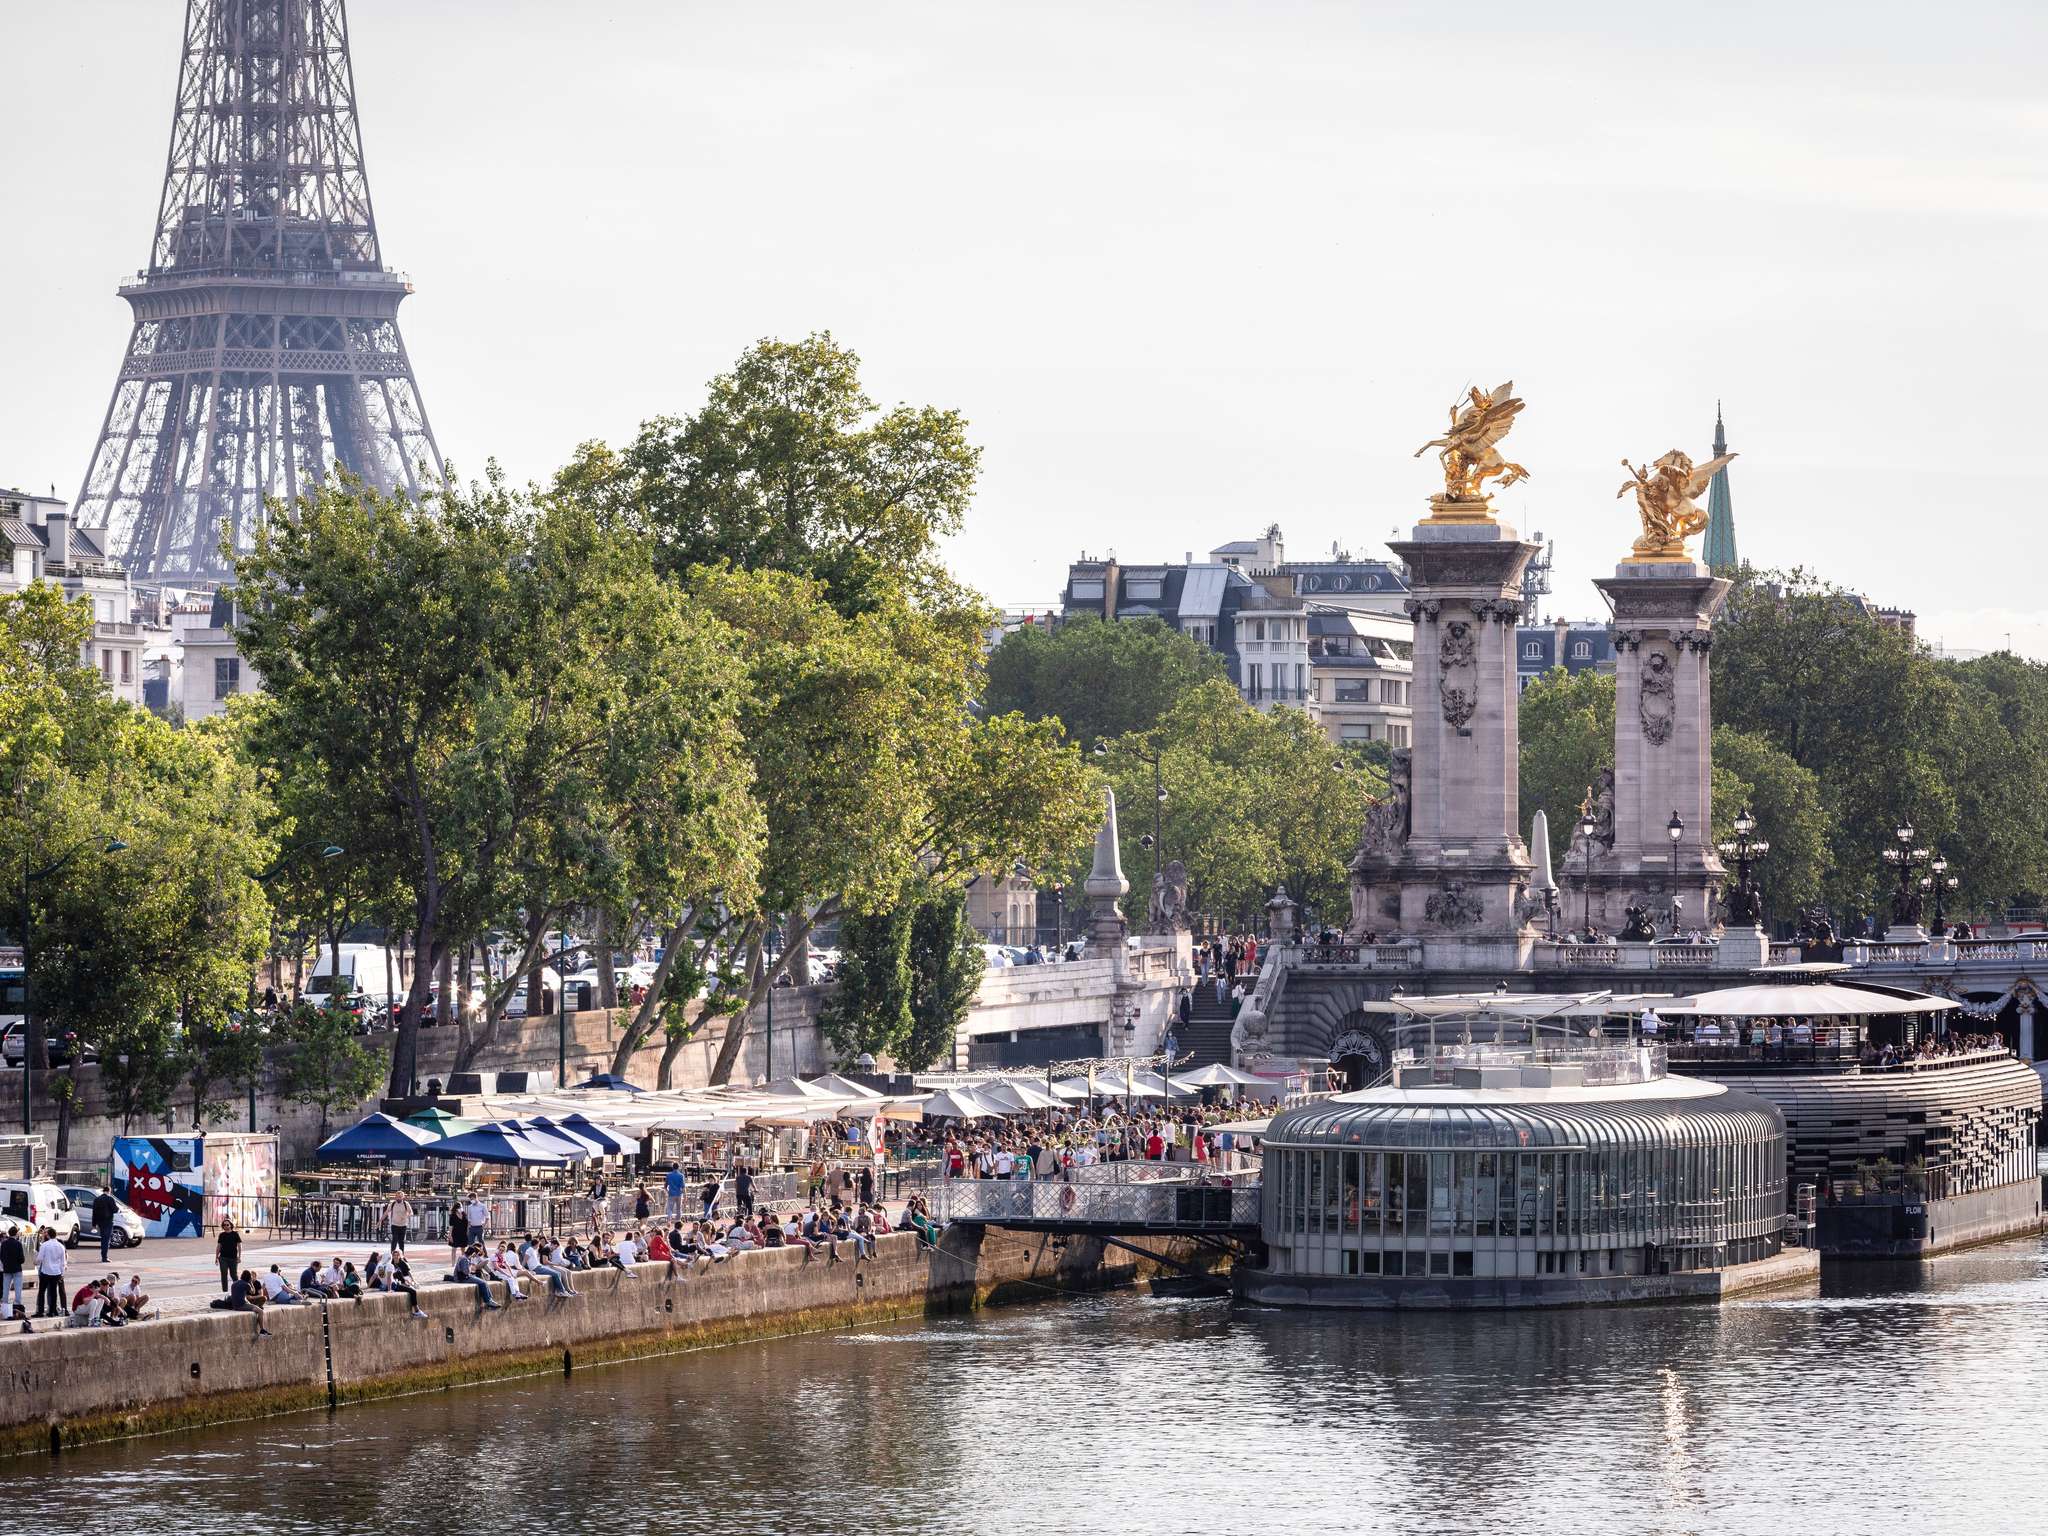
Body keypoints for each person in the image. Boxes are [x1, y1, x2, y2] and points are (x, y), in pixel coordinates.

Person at [35, 1226, 68, 1318]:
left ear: (48, 1235)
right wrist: (62, 1273)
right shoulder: (61, 1246)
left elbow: (40, 1258)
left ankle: (40, 1311)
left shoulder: (45, 1245)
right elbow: (63, 1262)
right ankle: (52, 1311)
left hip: (45, 1271)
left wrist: (35, 1261)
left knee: (42, 1291)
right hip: (56, 1272)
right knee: (53, 1292)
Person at [0, 1224, 24, 1320]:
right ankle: (17, 1305)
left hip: (7, 1269)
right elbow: (22, 1259)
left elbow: (1, 1256)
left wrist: (6, 1263)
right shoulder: (18, 1244)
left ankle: (5, 1306)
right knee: (18, 1289)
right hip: (17, 1269)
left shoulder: (4, 1244)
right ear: (16, 1233)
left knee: (6, 1289)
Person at [91, 1186, 119, 1263]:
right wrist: (117, 1208)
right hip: (108, 1222)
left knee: (103, 1238)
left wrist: (94, 1224)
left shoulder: (97, 1199)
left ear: (103, 1191)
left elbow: (94, 1213)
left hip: (100, 1222)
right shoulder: (110, 1199)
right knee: (106, 1240)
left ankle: (104, 1256)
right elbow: (115, 1210)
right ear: (109, 1191)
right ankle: (104, 1257)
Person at [216, 1217, 243, 1293]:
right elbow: (219, 1246)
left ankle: (238, 1290)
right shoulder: (221, 1235)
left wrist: (239, 1257)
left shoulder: (235, 1234)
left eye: (227, 1225)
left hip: (233, 1258)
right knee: (224, 1274)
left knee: (233, 1275)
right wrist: (216, 1257)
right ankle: (225, 1291)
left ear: (231, 1225)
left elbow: (239, 1246)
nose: (226, 1226)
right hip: (223, 1258)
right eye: (224, 1225)